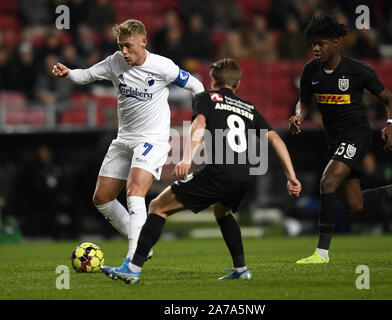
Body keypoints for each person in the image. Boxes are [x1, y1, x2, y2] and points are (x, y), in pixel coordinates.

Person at [102, 58, 302, 284]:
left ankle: (133, 269)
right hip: (245, 176)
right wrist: (291, 176)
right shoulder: (248, 107)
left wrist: (187, 158)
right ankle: (241, 269)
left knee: (157, 206)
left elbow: (199, 126)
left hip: (219, 172)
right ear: (237, 83)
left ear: (213, 80)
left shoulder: (206, 98)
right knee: (222, 211)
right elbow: (275, 139)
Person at [52, 19, 204, 264]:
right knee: (102, 198)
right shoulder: (115, 62)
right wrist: (68, 73)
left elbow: (196, 85)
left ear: (144, 42)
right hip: (124, 139)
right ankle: (142, 240)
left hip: (152, 139)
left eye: (129, 46)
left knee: (135, 190)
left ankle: (134, 258)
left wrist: (201, 113)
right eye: (121, 45)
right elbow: (87, 75)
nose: (124, 51)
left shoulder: (162, 66)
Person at [289, 13, 392, 264]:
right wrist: (298, 115)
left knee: (327, 183)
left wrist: (390, 125)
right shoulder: (310, 71)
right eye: (313, 44)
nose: (316, 48)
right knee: (354, 203)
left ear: (336, 42)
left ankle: (321, 254)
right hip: (334, 140)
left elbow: (389, 99)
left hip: (357, 135)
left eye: (322, 43)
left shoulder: (357, 70)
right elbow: (304, 102)